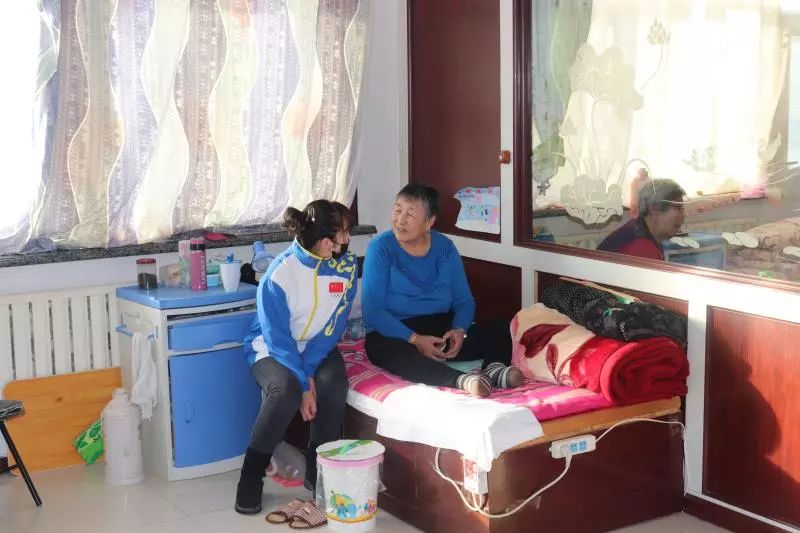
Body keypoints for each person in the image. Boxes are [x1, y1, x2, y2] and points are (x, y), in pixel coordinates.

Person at [235, 200, 357, 515]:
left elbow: (333, 327)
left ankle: (318, 474)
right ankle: (251, 476)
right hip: (270, 347)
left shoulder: (346, 266)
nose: (347, 239)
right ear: (325, 240)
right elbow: (277, 339)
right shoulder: (280, 273)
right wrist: (303, 385)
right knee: (285, 391)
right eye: (343, 232)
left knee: (334, 383)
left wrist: (310, 371)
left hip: (317, 345)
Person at [362, 184, 523, 399]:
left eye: (410, 214)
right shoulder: (380, 247)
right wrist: (415, 339)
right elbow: (372, 311)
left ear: (429, 222)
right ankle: (461, 380)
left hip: (439, 329)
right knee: (383, 349)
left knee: (500, 327)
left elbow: (464, 301)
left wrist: (459, 330)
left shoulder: (444, 247)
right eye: (397, 210)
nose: (400, 220)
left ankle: (494, 368)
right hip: (398, 331)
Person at [597, 178, 687, 260]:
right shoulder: (641, 247)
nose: (684, 215)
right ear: (654, 211)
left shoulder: (637, 230)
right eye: (678, 208)